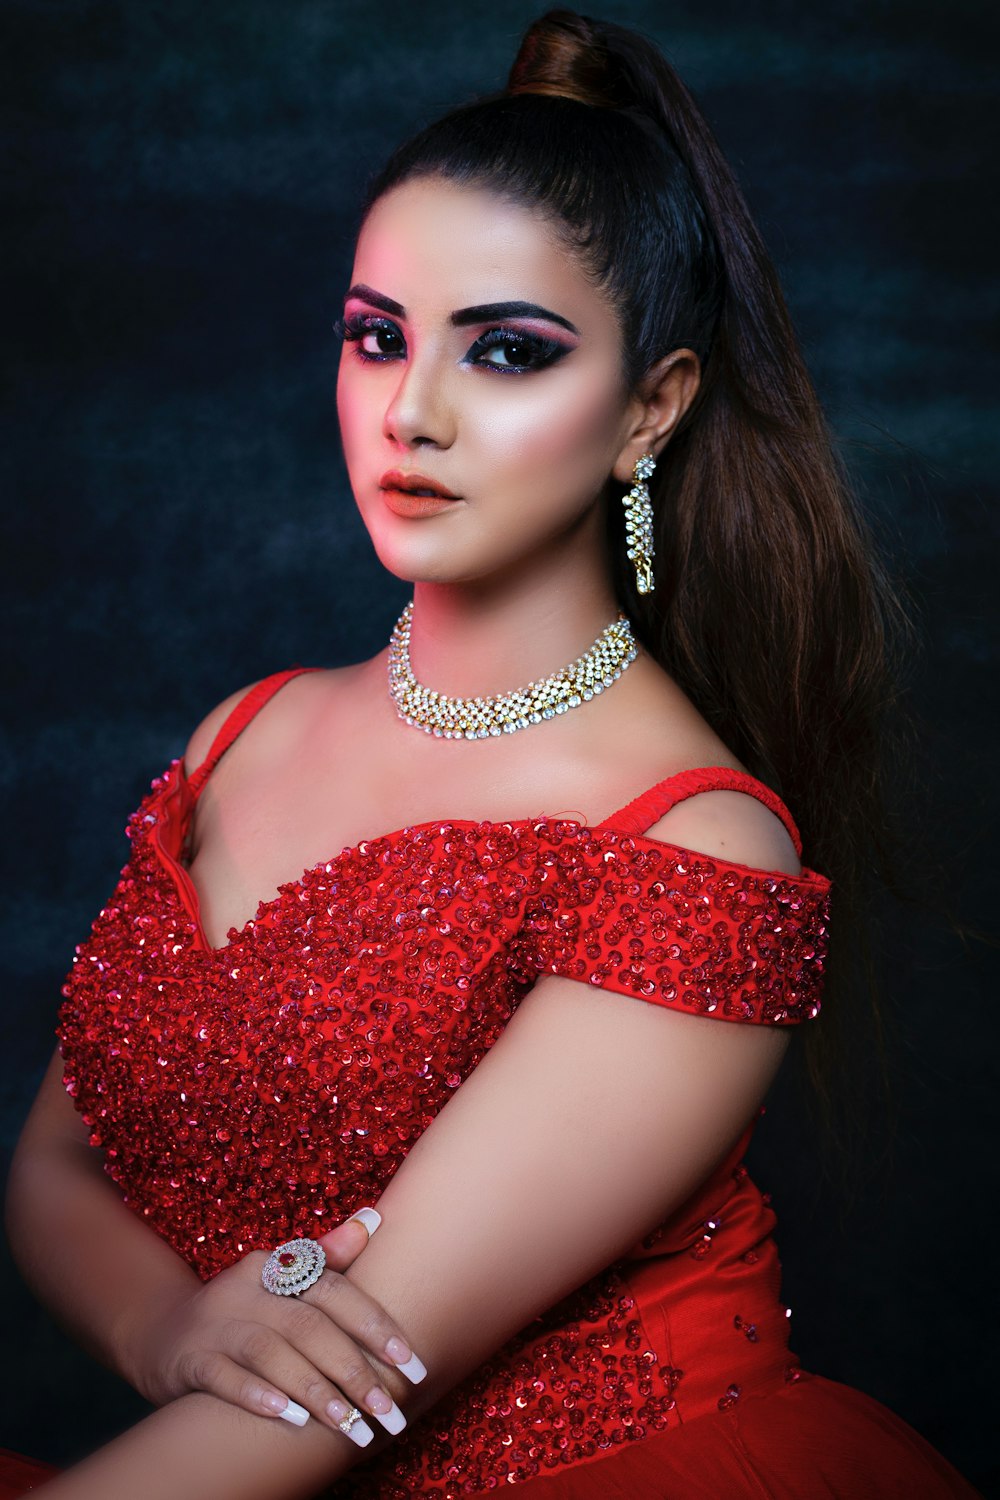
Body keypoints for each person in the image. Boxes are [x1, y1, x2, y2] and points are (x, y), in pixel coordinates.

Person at [3, 9, 980, 1498]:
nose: (414, 412)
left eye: (507, 353)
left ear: (650, 408)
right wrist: (170, 1331)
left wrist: (217, 1377)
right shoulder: (243, 731)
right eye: (376, 337)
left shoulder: (702, 848)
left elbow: (356, 1375)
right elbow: (53, 1170)